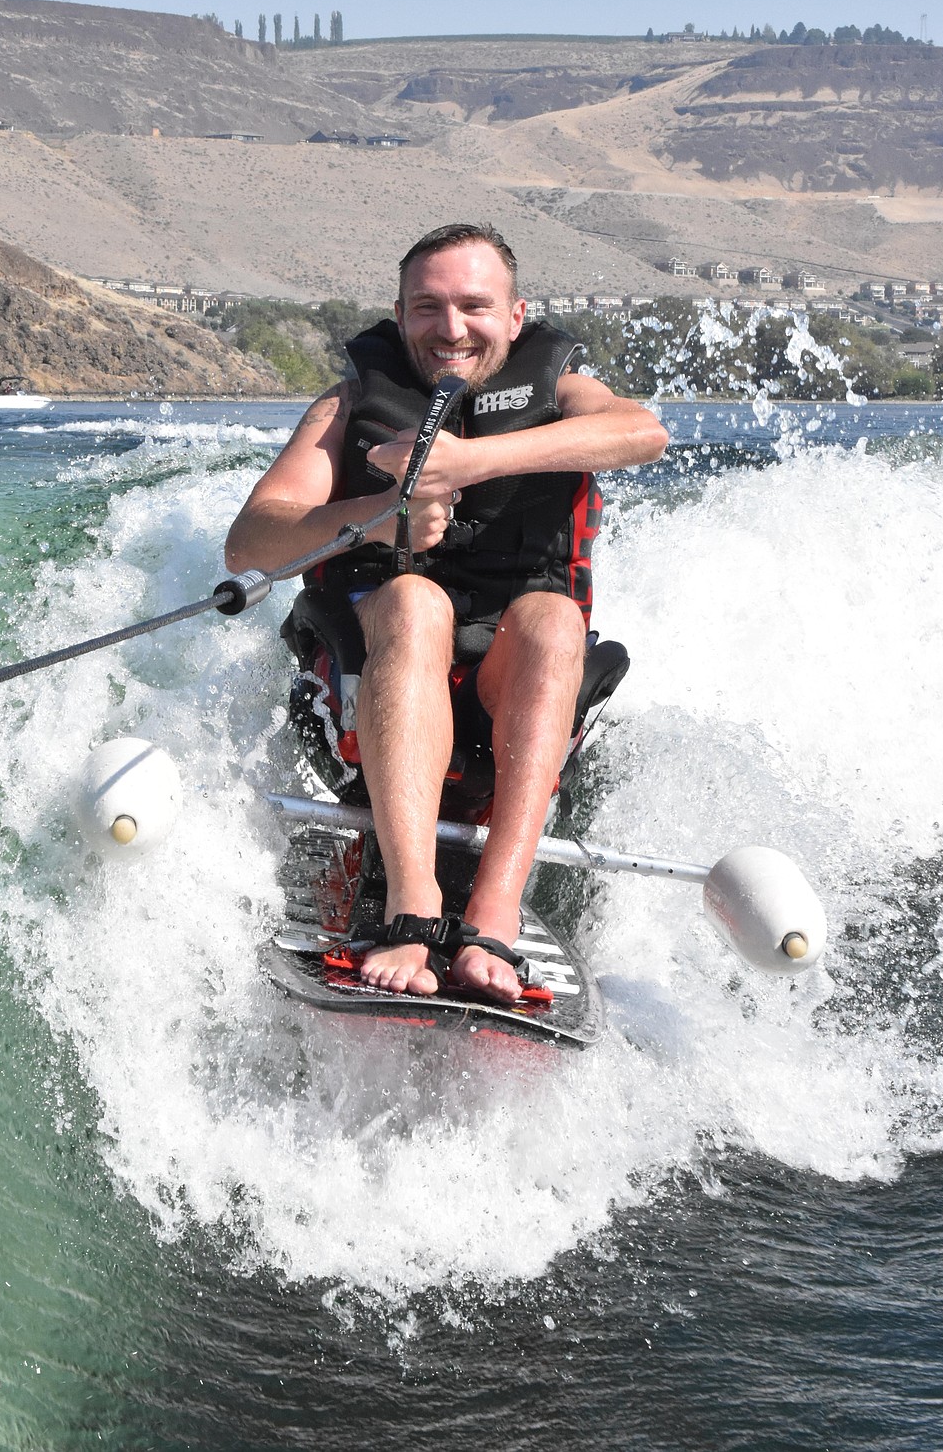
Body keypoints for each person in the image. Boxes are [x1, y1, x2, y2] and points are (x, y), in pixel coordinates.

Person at [225, 224, 668, 1004]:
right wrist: (376, 514)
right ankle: (413, 903)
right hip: (374, 669)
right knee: (413, 596)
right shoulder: (352, 399)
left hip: (511, 670)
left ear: (517, 313)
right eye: (428, 306)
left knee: (554, 619)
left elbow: (643, 432)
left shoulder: (561, 390)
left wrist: (473, 462)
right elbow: (250, 539)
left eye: (474, 305)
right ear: (399, 314)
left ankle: (496, 907)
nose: (452, 327)